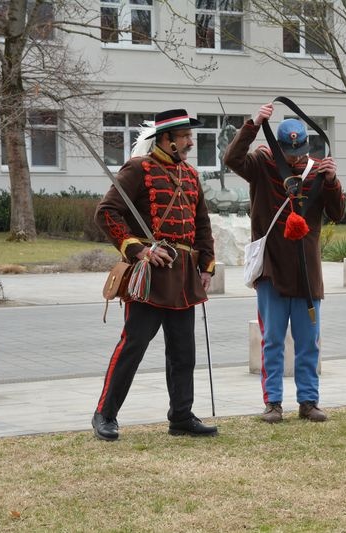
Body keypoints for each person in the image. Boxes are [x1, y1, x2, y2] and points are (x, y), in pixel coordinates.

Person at [91, 109, 218, 441]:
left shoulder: (190, 175)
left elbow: (202, 225)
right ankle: (105, 414)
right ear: (166, 139)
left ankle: (181, 417)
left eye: (190, 136)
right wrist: (138, 250)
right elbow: (106, 212)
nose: (190, 142)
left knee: (183, 352)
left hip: (183, 276)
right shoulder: (138, 169)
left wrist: (206, 266)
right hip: (148, 274)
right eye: (185, 136)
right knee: (133, 346)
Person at [224, 103, 345, 423]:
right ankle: (273, 402)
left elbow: (338, 212)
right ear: (279, 146)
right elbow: (232, 159)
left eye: (299, 152)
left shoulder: (318, 170)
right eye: (290, 153)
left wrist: (332, 181)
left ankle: (309, 401)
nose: (295, 159)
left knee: (308, 343)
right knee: (273, 341)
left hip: (307, 272)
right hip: (272, 269)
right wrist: (253, 124)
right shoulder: (262, 163)